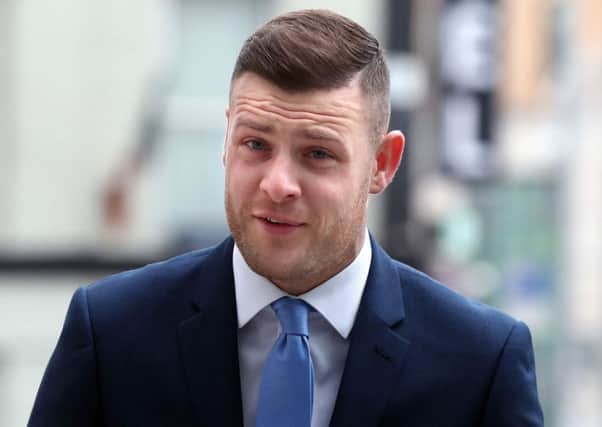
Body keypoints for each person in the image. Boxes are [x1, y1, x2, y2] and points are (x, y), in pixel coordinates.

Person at [28, 9, 544, 427]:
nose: (277, 183)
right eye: (255, 144)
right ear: (227, 141)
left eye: (317, 153)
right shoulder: (112, 333)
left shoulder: (479, 362)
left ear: (381, 165)